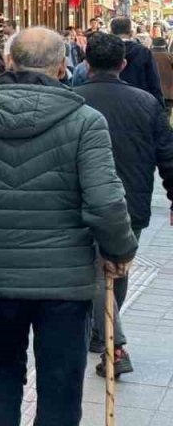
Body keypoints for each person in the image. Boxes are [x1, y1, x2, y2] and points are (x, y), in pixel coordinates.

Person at [0, 27, 137, 426]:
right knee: (61, 383)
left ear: (9, 62)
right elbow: (105, 201)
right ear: (63, 67)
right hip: (65, 281)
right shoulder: (85, 121)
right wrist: (119, 252)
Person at [74, 33, 173, 377]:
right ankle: (106, 335)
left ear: (86, 64)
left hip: (80, 199)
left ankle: (112, 341)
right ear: (124, 64)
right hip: (132, 199)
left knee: (95, 269)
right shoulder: (147, 103)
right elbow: (168, 155)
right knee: (116, 266)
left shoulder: (72, 100)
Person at [111, 17, 164, 102]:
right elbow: (153, 81)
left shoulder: (106, 50)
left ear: (111, 32)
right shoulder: (144, 52)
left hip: (112, 100)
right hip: (141, 101)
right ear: (131, 33)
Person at [153, 37, 173, 116]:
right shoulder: (169, 56)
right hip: (168, 91)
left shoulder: (148, 55)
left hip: (151, 91)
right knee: (166, 115)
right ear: (165, 45)